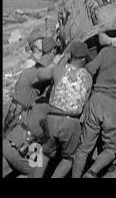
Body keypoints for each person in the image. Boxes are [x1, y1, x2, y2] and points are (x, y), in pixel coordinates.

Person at [72, 28, 116, 178]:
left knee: (83, 148)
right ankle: (92, 172)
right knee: (112, 148)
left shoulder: (106, 52)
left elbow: (90, 69)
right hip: (114, 106)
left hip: (96, 100)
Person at [31, 41, 92, 178]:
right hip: (72, 122)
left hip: (52, 118)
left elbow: (39, 75)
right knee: (69, 158)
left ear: (70, 56)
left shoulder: (59, 69)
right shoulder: (88, 78)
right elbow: (85, 101)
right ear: (84, 58)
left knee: (44, 153)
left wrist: (54, 64)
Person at [2, 45, 56, 178]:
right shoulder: (48, 107)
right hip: (26, 141)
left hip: (10, 138)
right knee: (37, 168)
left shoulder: (35, 99)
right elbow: (48, 145)